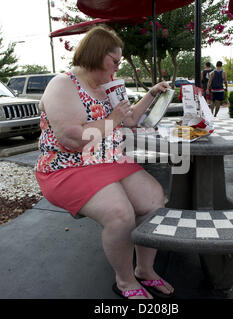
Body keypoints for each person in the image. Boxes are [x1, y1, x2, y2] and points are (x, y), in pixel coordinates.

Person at [34, 25, 174, 300]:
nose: (117, 67)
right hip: (67, 166)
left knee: (153, 199)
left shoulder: (107, 86)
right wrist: (114, 120)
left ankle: (145, 269)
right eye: (115, 61)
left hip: (106, 159)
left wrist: (153, 93)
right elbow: (73, 139)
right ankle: (125, 281)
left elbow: (130, 118)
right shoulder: (63, 84)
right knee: (120, 214)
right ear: (97, 55)